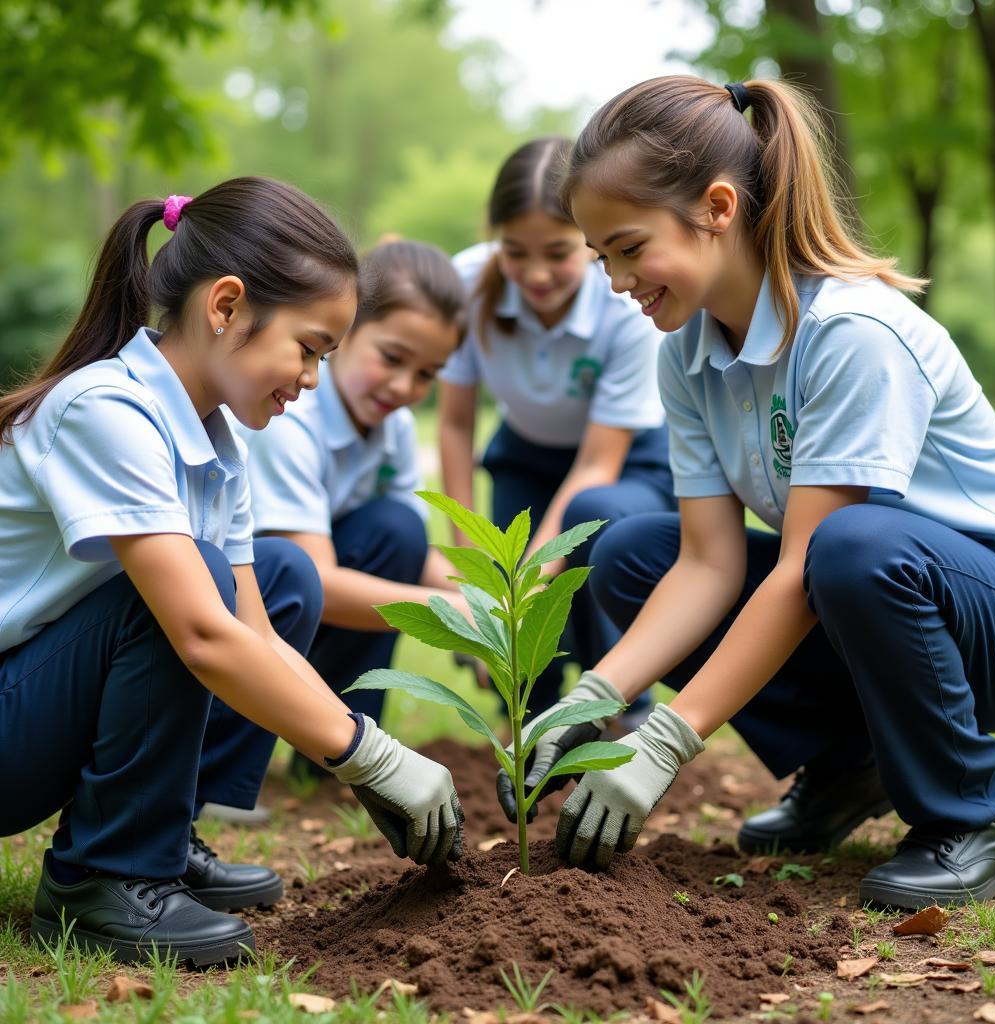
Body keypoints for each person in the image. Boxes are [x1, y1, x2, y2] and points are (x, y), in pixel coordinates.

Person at [520, 75, 995, 910]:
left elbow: (803, 566)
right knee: (630, 556)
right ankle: (848, 766)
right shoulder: (684, 354)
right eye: (600, 255)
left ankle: (978, 815)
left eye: (630, 247)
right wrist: (596, 696)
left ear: (718, 207)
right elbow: (706, 564)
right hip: (866, 599)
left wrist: (667, 741)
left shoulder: (850, 334)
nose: (615, 281)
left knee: (850, 545)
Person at [0, 178, 464, 967]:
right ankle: (101, 874)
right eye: (310, 348)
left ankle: (158, 832)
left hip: (40, 709)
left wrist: (365, 756)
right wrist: (366, 753)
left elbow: (256, 632)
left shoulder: (220, 447)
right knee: (198, 587)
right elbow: (205, 634)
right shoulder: (103, 411)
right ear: (226, 307)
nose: (313, 378)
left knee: (282, 576)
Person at [439, 136, 675, 723]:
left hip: (625, 465)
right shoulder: (465, 284)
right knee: (520, 645)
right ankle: (532, 729)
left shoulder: (623, 302)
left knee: (586, 545)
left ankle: (622, 705)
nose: (536, 274)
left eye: (559, 252)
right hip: (525, 453)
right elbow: (454, 421)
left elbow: (598, 464)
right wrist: (472, 569)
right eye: (515, 252)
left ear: (589, 241)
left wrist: (531, 579)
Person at [242, 240, 467, 782]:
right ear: (343, 334)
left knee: (399, 528)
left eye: (426, 374)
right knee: (316, 562)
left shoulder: (395, 428)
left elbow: (408, 551)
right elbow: (314, 578)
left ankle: (333, 757)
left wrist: (486, 598)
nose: (403, 387)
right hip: (249, 604)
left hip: (304, 605)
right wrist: (449, 614)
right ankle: (231, 764)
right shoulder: (292, 419)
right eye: (391, 358)